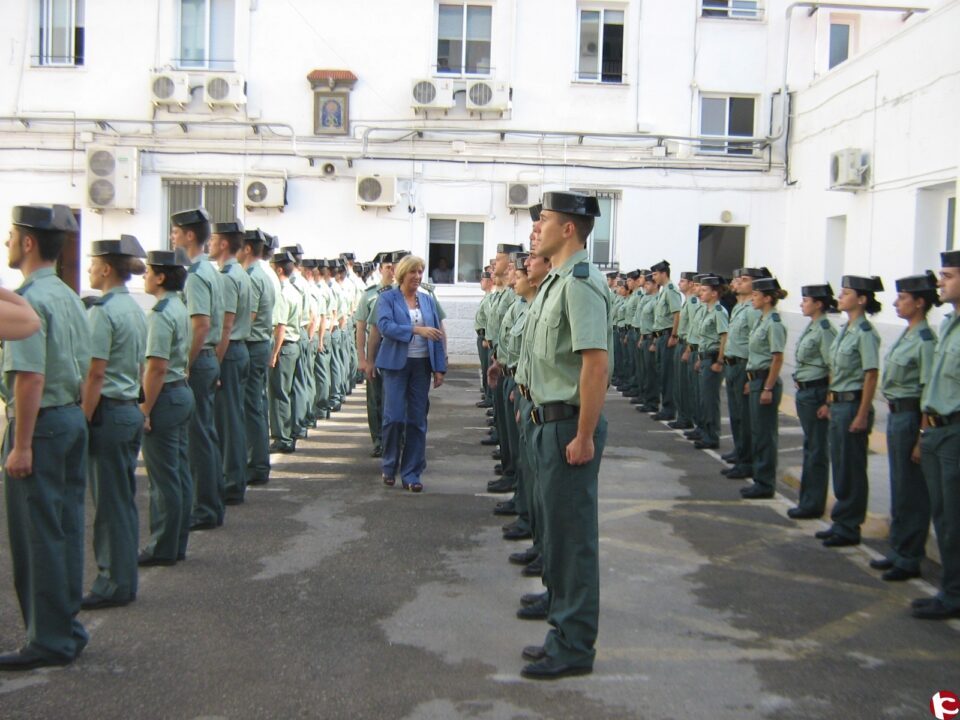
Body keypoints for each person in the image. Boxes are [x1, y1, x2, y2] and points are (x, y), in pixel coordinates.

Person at [520, 191, 610, 680]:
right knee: (555, 533)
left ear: (569, 229)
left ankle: (574, 644)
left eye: (546, 220)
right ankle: (561, 620)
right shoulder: (554, 282)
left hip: (567, 427)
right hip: (545, 421)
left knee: (573, 541)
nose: (538, 228)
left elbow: (595, 365)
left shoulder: (579, 283)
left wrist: (585, 435)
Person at [0, 204, 91, 672]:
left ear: (29, 242)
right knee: (66, 528)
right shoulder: (68, 295)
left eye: (12, 235)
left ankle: (49, 638)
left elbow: (29, 377)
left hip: (43, 423)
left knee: (37, 535)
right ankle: (67, 628)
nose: (8, 243)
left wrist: (21, 444)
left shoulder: (31, 299)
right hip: (70, 418)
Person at [80, 235, 148, 610]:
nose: (89, 268)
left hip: (107, 411)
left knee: (109, 504)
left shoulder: (103, 312)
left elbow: (94, 374)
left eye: (92, 263)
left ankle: (113, 582)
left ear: (106, 268)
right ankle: (123, 577)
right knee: (122, 500)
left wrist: (82, 419)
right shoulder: (134, 308)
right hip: (128, 409)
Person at [872, 272, 938, 581]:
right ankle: (898, 549)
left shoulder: (925, 340)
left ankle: (910, 556)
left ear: (920, 303)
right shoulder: (908, 333)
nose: (897, 303)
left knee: (912, 490)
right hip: (898, 415)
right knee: (900, 486)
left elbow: (928, 391)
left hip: (913, 418)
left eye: (903, 298)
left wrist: (921, 437)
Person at [137, 249, 195, 568]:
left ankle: (162, 545)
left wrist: (144, 408)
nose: (144, 276)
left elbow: (156, 367)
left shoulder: (161, 312)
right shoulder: (178, 306)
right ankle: (176, 542)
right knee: (179, 473)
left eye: (148, 272)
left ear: (161, 277)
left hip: (165, 396)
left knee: (163, 478)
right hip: (179, 393)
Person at [816, 275, 883, 548]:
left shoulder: (866, 332)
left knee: (853, 468)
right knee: (841, 466)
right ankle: (841, 521)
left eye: (846, 293)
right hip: (839, 403)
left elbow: (870, 375)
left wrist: (862, 414)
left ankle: (850, 525)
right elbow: (835, 369)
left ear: (862, 299)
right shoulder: (845, 329)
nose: (840, 297)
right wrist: (829, 402)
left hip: (854, 404)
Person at [170, 208, 226, 532]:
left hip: (198, 358)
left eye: (176, 231)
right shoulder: (208, 271)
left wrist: (183, 365)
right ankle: (211, 503)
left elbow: (201, 325)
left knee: (199, 437)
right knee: (206, 434)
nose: (173, 237)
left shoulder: (197, 274)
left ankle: (205, 508)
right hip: (205, 358)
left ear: (190, 235)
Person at [375, 255, 447, 492]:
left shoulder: (427, 300)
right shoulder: (387, 298)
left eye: (420, 272)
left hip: (421, 366)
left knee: (417, 420)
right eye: (413, 272)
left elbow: (436, 332)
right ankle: (389, 465)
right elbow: (385, 326)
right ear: (402, 274)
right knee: (394, 417)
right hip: (396, 365)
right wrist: (415, 329)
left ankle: (412, 473)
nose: (417, 277)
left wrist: (439, 367)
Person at [915, 250, 960, 619]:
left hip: (956, 434)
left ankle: (955, 593)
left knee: (954, 518)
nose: (940, 282)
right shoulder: (948, 324)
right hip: (937, 430)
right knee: (943, 516)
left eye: (947, 275)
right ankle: (949, 589)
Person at [788, 284, 838, 519]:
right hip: (807, 393)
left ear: (818, 304)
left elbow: (832, 367)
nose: (801, 304)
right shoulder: (813, 326)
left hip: (818, 393)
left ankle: (813, 502)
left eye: (806, 300)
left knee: (817, 450)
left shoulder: (825, 329)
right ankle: (807, 499)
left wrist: (828, 401)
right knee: (810, 448)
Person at [211, 221, 253, 506]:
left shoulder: (227, 277)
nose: (209, 244)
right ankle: (235, 479)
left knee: (228, 422)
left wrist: (215, 362)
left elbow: (225, 326)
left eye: (213, 239)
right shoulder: (240, 273)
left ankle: (231, 482)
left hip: (228, 351)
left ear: (224, 243)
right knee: (234, 418)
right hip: (239, 349)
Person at [741, 277, 788, 499]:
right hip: (757, 379)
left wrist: (768, 387)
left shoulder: (774, 322)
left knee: (765, 435)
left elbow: (777, 358)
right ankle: (760, 478)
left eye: (757, 295)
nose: (753, 298)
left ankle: (766, 482)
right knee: (758, 432)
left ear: (768, 298)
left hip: (766, 382)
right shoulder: (762, 320)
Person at [718, 268, 765, 478]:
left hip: (744, 365)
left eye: (744, 280)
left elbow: (757, 345)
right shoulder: (739, 307)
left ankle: (747, 461)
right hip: (733, 364)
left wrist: (749, 375)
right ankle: (740, 452)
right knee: (737, 415)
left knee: (745, 418)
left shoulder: (754, 311)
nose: (739, 282)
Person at [238, 229, 275, 487]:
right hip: (260, 343)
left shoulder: (251, 278)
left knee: (251, 407)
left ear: (248, 249)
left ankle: (257, 464)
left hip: (252, 344)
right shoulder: (263, 274)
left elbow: (247, 319)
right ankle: (258, 461)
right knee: (257, 405)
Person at [357, 252, 395, 457]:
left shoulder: (406, 292)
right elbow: (362, 327)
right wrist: (362, 359)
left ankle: (395, 438)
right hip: (377, 348)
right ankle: (378, 439)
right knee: (375, 398)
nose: (391, 270)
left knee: (393, 398)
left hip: (395, 349)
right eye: (388, 267)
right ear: (380, 269)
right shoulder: (370, 294)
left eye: (394, 266)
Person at [268, 251, 303, 453]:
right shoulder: (294, 290)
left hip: (284, 344)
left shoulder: (282, 293)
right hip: (293, 344)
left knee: (279, 392)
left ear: (279, 269)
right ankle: (291, 431)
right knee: (290, 390)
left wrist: (273, 353)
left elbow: (280, 326)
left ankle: (282, 437)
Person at [693, 275, 729, 451]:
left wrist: (720, 361)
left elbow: (724, 337)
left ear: (714, 293)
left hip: (713, 359)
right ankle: (705, 432)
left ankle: (712, 435)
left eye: (705, 290)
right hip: (705, 357)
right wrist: (700, 358)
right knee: (703, 399)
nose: (701, 292)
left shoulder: (719, 311)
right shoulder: (707, 310)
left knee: (710, 400)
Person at [649, 260, 683, 422]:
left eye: (655, 274)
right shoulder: (663, 291)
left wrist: (674, 336)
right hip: (661, 337)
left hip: (668, 336)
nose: (653, 277)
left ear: (664, 273)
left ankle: (669, 408)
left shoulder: (670, 290)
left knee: (668, 374)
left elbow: (677, 314)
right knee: (662, 373)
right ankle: (665, 406)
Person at [670, 272, 700, 430]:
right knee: (679, 384)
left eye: (683, 281)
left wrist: (688, 348)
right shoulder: (687, 301)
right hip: (681, 343)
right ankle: (683, 416)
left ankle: (686, 417)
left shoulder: (693, 302)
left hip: (687, 344)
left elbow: (694, 328)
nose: (679, 283)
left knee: (685, 385)